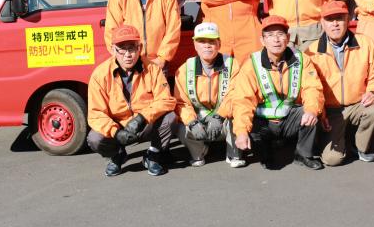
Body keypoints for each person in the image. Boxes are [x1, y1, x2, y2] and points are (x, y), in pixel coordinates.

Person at [231, 15, 325, 170]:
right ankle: (267, 150)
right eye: (269, 35)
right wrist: (241, 132)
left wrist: (312, 110)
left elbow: (312, 88)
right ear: (262, 41)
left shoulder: (302, 59)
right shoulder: (251, 64)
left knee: (309, 112)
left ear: (288, 38)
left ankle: (303, 154)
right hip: (263, 122)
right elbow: (243, 100)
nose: (276, 40)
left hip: (289, 118)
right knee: (260, 146)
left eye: (280, 35)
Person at [306, 0, 374, 166]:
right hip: (331, 111)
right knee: (332, 159)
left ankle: (361, 147)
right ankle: (341, 138)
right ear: (322, 23)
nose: (335, 24)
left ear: (348, 19)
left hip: (358, 104)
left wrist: (373, 92)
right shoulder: (311, 51)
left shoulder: (365, 43)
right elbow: (309, 87)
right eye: (330, 19)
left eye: (340, 18)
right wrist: (321, 113)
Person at [87, 25, 177, 177]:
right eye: (122, 49)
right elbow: (95, 114)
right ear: (113, 49)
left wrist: (141, 118)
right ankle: (117, 155)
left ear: (140, 48)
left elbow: (166, 99)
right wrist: (115, 132)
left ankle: (153, 155)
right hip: (118, 127)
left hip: (144, 124)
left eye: (132, 48)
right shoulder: (99, 75)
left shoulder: (153, 69)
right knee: (94, 138)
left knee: (170, 118)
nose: (128, 54)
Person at [173, 22, 245, 168]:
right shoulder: (185, 69)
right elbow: (181, 103)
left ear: (219, 44)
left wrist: (219, 116)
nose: (207, 46)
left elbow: (236, 95)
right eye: (202, 41)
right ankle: (199, 151)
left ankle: (234, 154)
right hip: (199, 123)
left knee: (238, 113)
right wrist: (192, 123)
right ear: (195, 45)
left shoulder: (232, 64)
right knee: (178, 125)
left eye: (212, 41)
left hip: (223, 121)